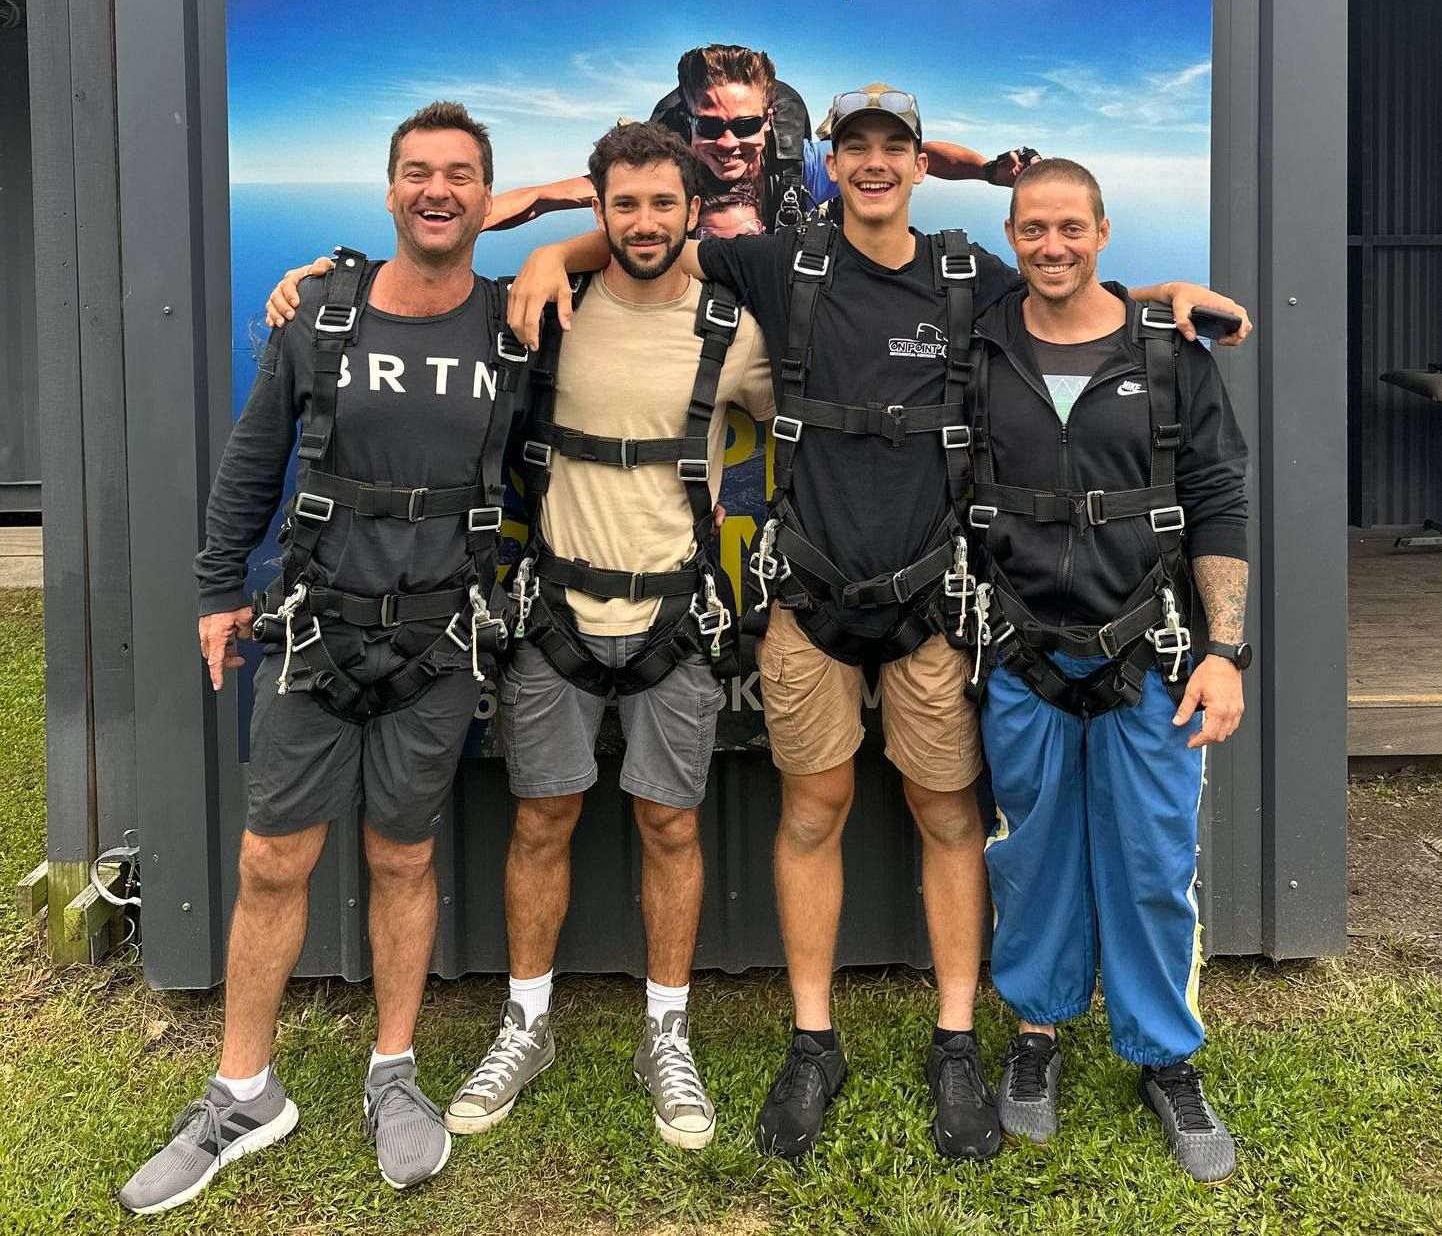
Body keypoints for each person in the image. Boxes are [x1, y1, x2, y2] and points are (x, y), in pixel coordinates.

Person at [504, 85, 1251, 1163]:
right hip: (808, 600)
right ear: (831, 165)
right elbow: (646, 241)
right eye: (852, 147)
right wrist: (551, 258)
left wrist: (1159, 295)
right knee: (811, 809)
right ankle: (814, 1039)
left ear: (916, 165)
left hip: (934, 604)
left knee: (949, 815)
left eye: (889, 148)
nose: (870, 164)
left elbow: (1068, 290)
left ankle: (957, 1040)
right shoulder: (779, 262)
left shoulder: (968, 276)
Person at [262, 121, 774, 1151]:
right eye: (619, 204)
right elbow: (427, 272)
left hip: (672, 615)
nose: (640, 222)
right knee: (539, 819)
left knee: (671, 826)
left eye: (660, 204)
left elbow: (824, 427)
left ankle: (664, 1031)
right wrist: (326, 275)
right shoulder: (539, 312)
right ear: (597, 209)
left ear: (690, 213)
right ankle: (527, 1020)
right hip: (550, 617)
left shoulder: (734, 333)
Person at [119, 102, 526, 1214]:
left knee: (401, 860)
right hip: (311, 631)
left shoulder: (517, 324)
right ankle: (242, 1091)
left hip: (437, 640)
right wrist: (215, 590)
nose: (435, 190)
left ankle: (393, 1073)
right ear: (388, 189)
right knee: (269, 861)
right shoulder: (320, 319)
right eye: (414, 172)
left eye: (458, 175)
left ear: (491, 197)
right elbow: (251, 465)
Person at [967, 158, 1249, 1184]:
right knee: (1031, 853)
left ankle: (1163, 1053)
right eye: (1031, 229)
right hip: (1021, 648)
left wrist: (1221, 651)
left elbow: (1218, 497)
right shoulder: (980, 347)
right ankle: (1035, 1032)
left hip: (1154, 651)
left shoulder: (1169, 355)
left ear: (1103, 231)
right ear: (1008, 235)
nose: (1050, 246)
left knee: (1149, 860)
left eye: (1069, 229)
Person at [483, 45, 1037, 234]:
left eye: (746, 126)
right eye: (710, 126)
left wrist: (988, 171)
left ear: (769, 122)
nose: (729, 143)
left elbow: (919, 156)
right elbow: (541, 198)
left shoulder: (800, 165)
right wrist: (463, 224)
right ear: (688, 123)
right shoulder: (659, 174)